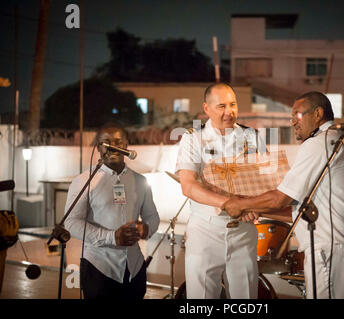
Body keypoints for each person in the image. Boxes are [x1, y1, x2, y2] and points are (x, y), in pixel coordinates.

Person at [223, 91, 344, 299]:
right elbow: (304, 212)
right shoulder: (336, 142)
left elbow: (280, 198)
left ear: (318, 113)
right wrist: (254, 208)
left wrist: (239, 203)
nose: (292, 122)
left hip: (330, 249)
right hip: (343, 247)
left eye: (297, 115)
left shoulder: (319, 143)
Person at [175, 82, 263, 299]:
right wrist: (229, 203)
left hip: (243, 230)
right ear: (206, 108)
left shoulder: (251, 136)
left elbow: (262, 182)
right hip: (206, 230)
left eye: (233, 105)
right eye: (221, 106)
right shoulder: (192, 138)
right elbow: (188, 185)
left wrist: (253, 205)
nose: (229, 112)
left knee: (246, 301)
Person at [64, 122, 160, 299]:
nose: (113, 146)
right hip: (99, 267)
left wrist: (146, 229)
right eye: (106, 142)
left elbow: (152, 216)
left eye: (118, 141)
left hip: (134, 267)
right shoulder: (84, 181)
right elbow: (70, 222)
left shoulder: (140, 181)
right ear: (99, 147)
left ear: (126, 145)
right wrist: (111, 237)